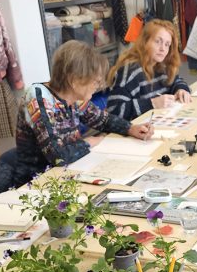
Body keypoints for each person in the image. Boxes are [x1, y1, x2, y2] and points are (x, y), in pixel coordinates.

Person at [14, 41, 153, 187]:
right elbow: (58, 157)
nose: (98, 86)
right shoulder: (38, 97)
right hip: (37, 184)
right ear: (74, 80)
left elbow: (103, 120)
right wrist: (89, 142)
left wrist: (131, 128)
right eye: (95, 81)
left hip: (68, 174)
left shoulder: (74, 97)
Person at [106, 20, 191, 122]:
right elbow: (114, 110)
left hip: (157, 124)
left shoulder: (161, 65)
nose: (162, 49)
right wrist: (152, 103)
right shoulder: (130, 70)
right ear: (145, 42)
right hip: (133, 131)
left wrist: (181, 89)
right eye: (158, 41)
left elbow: (176, 81)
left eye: (167, 44)